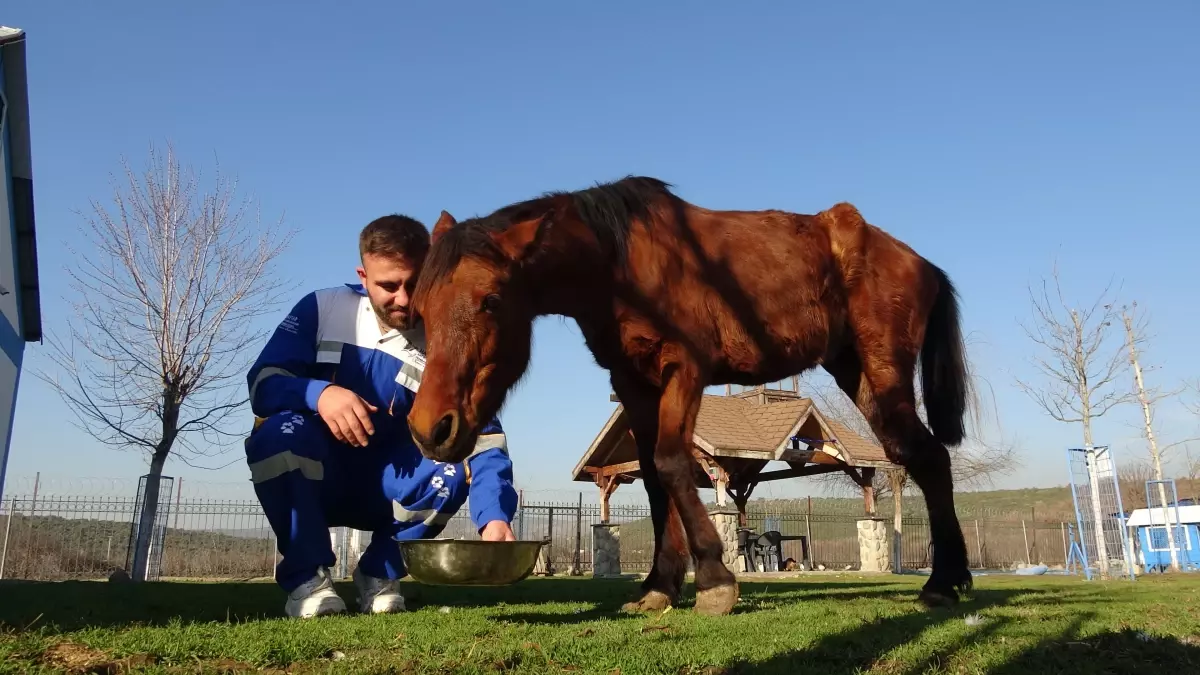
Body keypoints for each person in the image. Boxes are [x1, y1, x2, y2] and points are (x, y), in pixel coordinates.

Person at [243, 214, 519, 618]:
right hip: (317, 477)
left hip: (390, 489)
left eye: (415, 282)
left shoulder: (448, 337)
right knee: (276, 434)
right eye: (389, 286)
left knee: (455, 467)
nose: (404, 299)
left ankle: (379, 575)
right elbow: (263, 383)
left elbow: (484, 436)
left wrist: (494, 516)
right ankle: (308, 580)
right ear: (363, 274)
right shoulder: (322, 308)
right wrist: (320, 394)